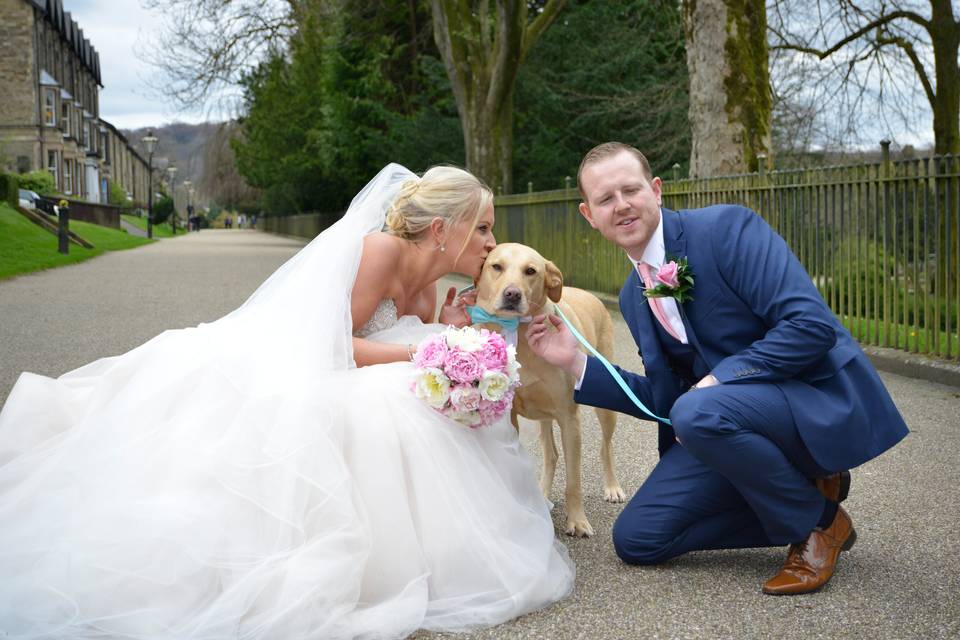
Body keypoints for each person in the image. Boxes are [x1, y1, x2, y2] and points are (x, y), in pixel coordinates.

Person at [0, 164, 574, 638]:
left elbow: (407, 338)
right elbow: (332, 347)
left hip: (352, 362)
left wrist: (443, 332)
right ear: (445, 229)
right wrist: (423, 355)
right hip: (292, 366)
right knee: (382, 407)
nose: (492, 243)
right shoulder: (378, 252)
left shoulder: (433, 286)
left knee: (419, 407)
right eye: (484, 230)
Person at [526, 142, 908, 595]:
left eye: (631, 190)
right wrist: (574, 362)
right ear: (589, 215)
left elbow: (812, 327)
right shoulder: (634, 294)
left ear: (657, 190)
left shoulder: (728, 229)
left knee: (698, 410)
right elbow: (667, 402)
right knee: (639, 538)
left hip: (809, 399)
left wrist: (716, 382)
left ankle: (821, 526)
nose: (622, 205)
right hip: (724, 422)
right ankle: (803, 494)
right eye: (606, 199)